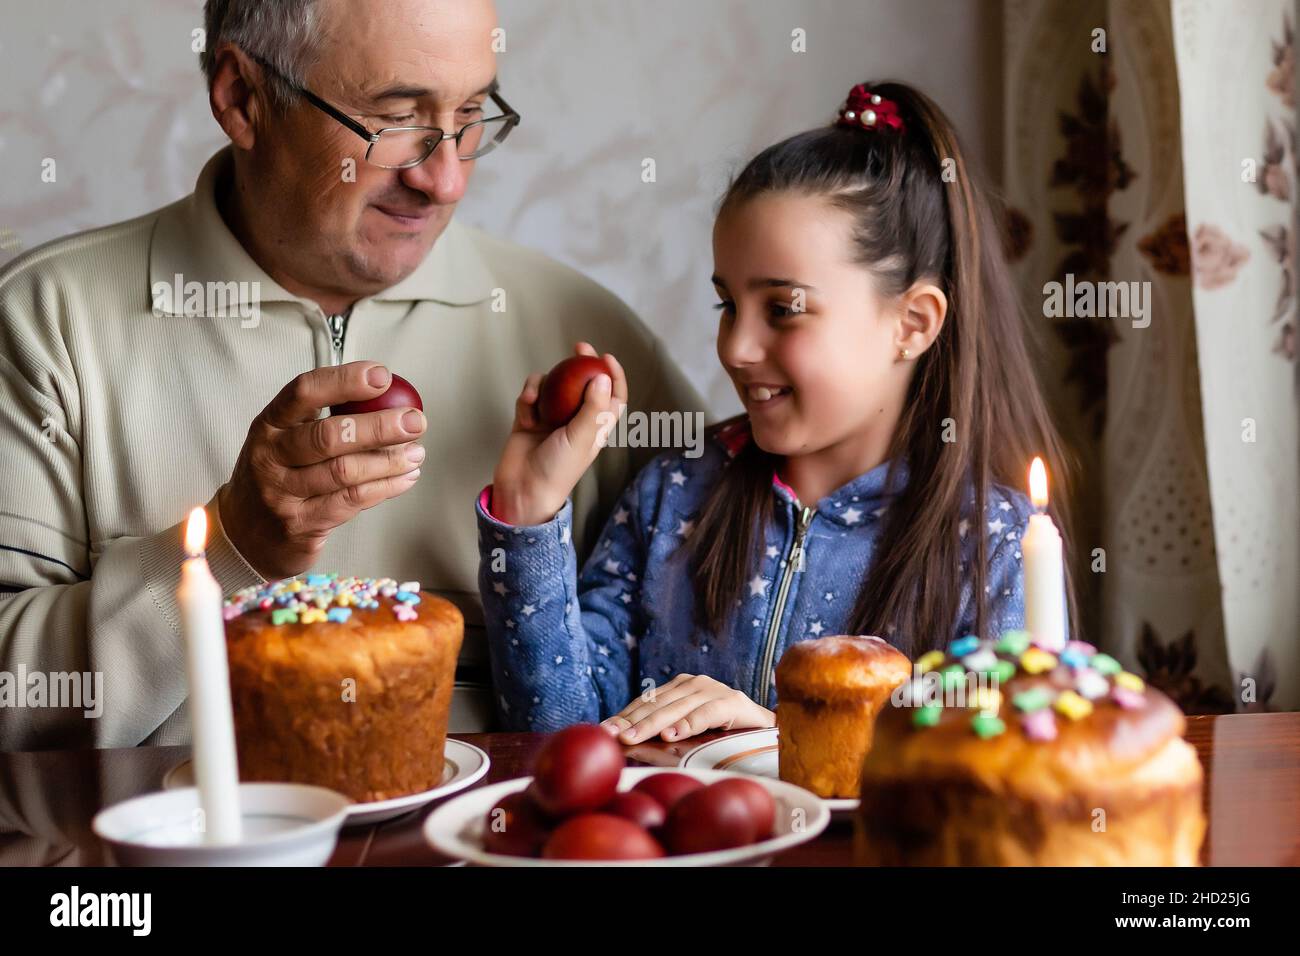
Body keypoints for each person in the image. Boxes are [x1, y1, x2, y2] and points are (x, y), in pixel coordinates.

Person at [0, 0, 703, 750]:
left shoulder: (581, 333)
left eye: (471, 113)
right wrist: (228, 550)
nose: (446, 180)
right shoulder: (47, 322)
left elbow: (732, 644)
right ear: (242, 98)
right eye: (397, 119)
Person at [477, 81, 1077, 741]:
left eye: (783, 308)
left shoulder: (991, 544)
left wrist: (780, 739)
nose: (735, 347)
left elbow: (993, 779)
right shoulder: (670, 497)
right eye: (727, 304)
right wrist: (529, 515)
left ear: (912, 323)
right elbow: (559, 733)